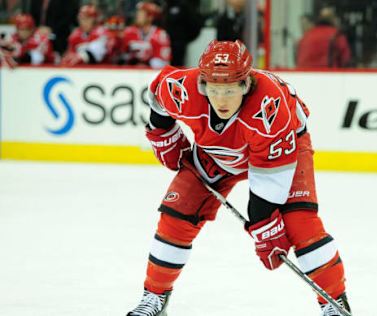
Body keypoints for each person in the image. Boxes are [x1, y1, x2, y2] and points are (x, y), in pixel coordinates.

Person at [126, 40, 351, 316]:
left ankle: (334, 303)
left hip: (283, 148)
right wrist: (163, 132)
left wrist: (263, 223)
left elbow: (269, 179)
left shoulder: (270, 106)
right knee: (176, 215)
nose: (221, 99)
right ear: (203, 85)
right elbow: (158, 94)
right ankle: (155, 298)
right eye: (214, 89)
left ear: (245, 85)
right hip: (217, 151)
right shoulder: (184, 88)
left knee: (299, 224)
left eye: (230, 90)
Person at [121, 1, 171, 69]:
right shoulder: (129, 31)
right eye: (138, 13)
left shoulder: (160, 35)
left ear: (150, 17)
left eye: (141, 14)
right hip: (129, 72)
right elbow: (121, 56)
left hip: (150, 74)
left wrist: (146, 65)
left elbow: (162, 63)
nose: (137, 16)